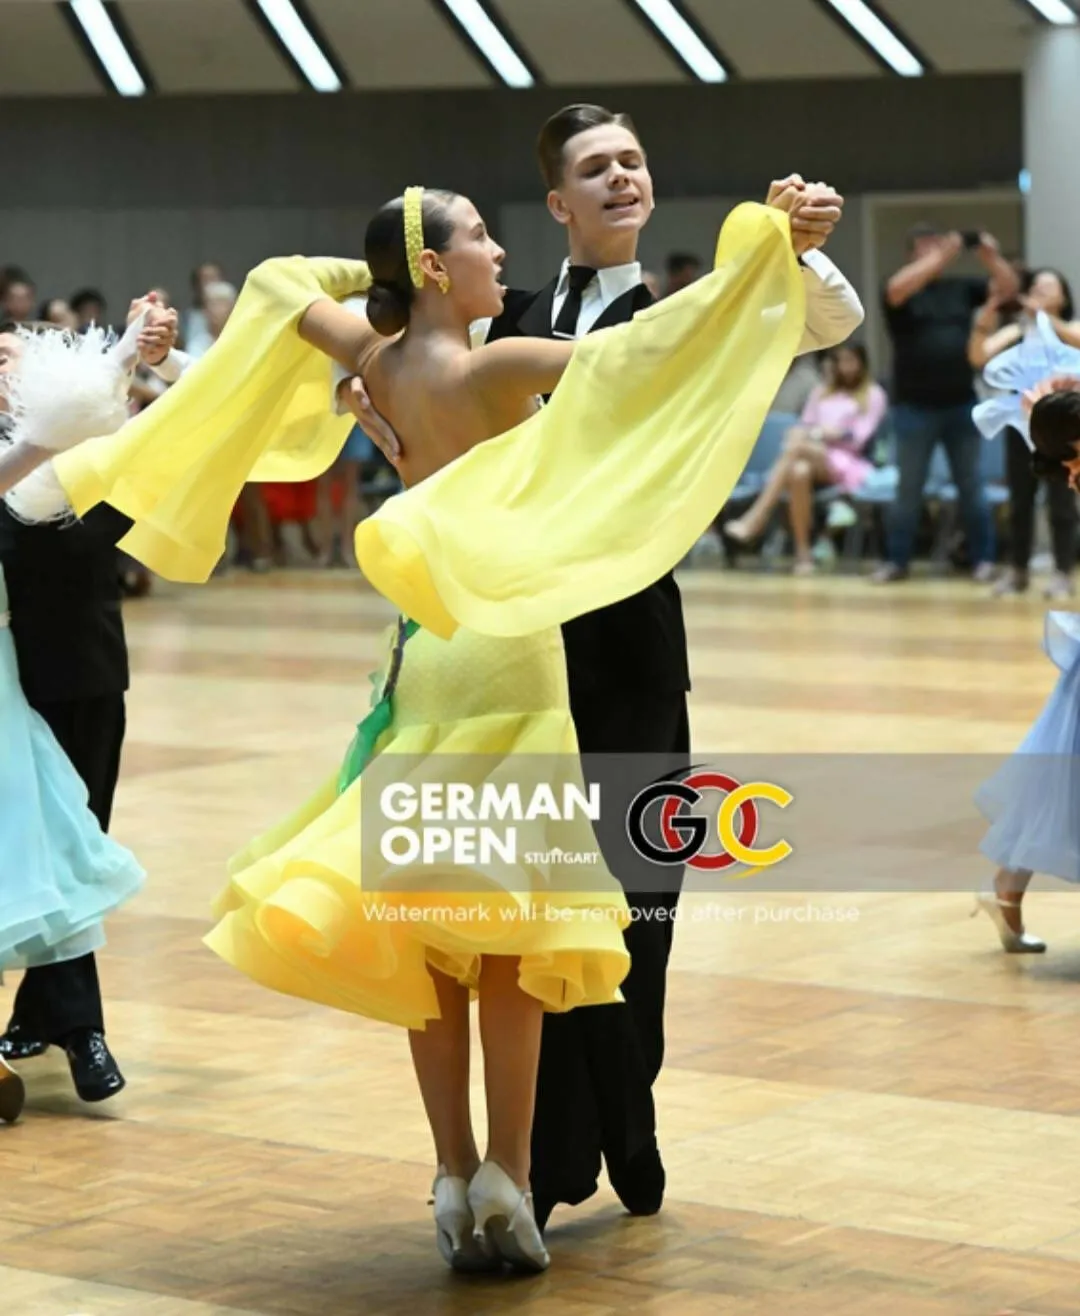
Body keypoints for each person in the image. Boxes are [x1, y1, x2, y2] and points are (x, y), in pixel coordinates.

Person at [44, 181, 816, 1269]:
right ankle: (509, 1167)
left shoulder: (376, 358)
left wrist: (381, 286)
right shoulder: (494, 366)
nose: (504, 251)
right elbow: (652, 359)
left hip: (418, 661)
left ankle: (452, 1176)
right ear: (444, 269)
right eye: (482, 239)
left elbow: (274, 282)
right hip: (507, 656)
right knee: (508, 941)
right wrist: (761, 252)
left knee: (430, 936)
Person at [338, 103, 863, 1235]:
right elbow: (398, 359)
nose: (622, 175)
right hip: (512, 666)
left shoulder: (684, 314)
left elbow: (812, 319)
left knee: (638, 909)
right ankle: (546, 1162)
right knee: (522, 922)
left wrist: (796, 245)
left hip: (627, 655)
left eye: (633, 159)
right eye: (595, 166)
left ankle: (620, 1123)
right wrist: (366, 390)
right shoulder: (509, 322)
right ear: (558, 205)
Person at [0, 308, 170, 1102]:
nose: (5, 371)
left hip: (81, 670)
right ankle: (80, 1030)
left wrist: (141, 365)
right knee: (35, 858)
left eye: (13, 356)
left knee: (72, 847)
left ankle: (52, 1019)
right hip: (11, 678)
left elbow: (176, 441)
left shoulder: (96, 450)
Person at [873, 223, 1020, 584]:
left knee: (971, 487)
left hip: (960, 404)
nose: (934, 253)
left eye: (935, 246)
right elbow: (895, 290)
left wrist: (990, 256)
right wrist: (944, 252)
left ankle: (982, 560)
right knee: (908, 489)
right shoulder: (900, 289)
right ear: (910, 255)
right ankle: (897, 561)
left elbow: (1009, 291)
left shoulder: (960, 288)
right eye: (923, 248)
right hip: (913, 407)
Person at [725, 343, 886, 573]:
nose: (845, 367)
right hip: (813, 458)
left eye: (851, 361)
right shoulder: (821, 392)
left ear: (862, 363)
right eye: (841, 361)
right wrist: (815, 432)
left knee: (798, 447)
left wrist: (818, 433)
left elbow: (857, 439)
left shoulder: (873, 394)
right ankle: (803, 555)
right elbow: (803, 426)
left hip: (849, 464)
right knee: (798, 470)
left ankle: (757, 517)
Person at [969, 268, 1080, 598]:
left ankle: (1062, 571)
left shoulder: (1069, 328)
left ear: (1063, 295)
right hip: (1022, 424)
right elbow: (978, 355)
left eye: (1050, 287)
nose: (1041, 291)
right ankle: (1018, 570)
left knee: (1063, 501)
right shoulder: (1018, 330)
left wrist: (1046, 318)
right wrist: (986, 315)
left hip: (1067, 430)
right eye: (1037, 287)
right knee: (1021, 501)